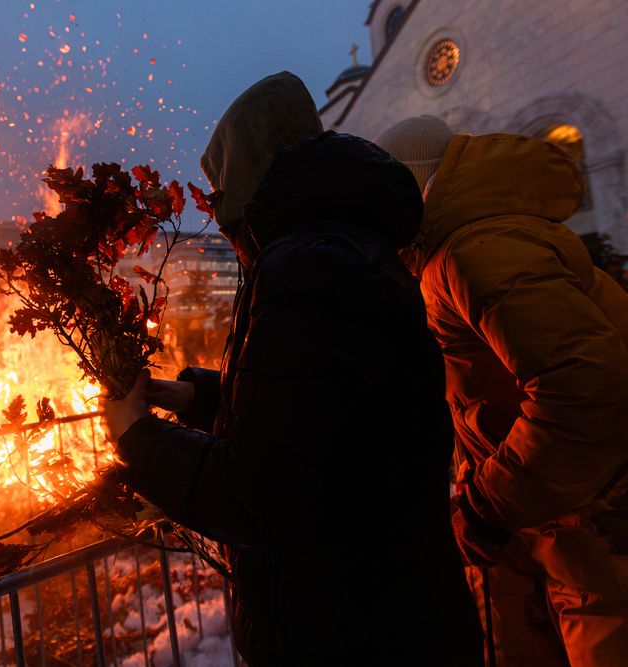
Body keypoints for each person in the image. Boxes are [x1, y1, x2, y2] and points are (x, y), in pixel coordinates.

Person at [103, 73, 483, 666]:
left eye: (220, 187)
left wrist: (136, 434)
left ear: (247, 182)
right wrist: (197, 396)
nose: (219, 214)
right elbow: (321, 419)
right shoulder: (346, 249)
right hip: (395, 615)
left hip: (348, 631)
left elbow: (262, 494)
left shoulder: (306, 270)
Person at [375, 115, 628, 667]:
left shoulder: (477, 250)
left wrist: (489, 504)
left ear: (413, 187)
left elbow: (582, 389)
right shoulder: (464, 246)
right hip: (563, 512)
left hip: (598, 518)